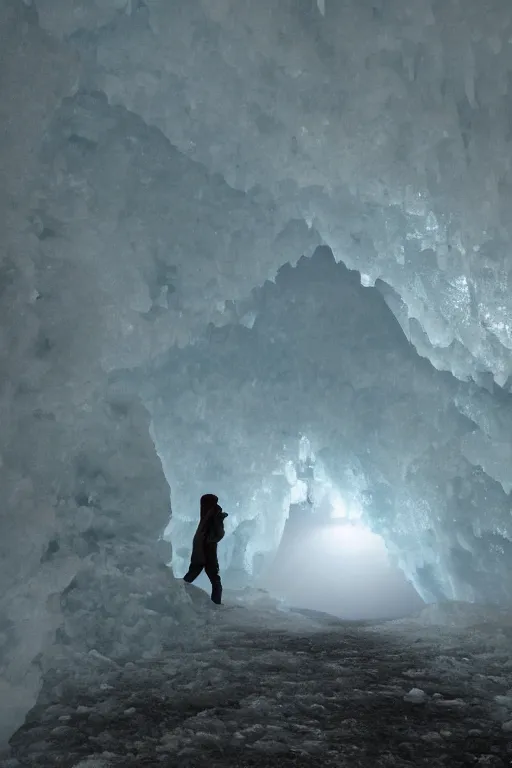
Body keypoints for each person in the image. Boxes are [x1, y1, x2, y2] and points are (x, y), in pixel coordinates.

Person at [183, 493, 228, 605]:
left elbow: (205, 537)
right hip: (208, 551)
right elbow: (218, 535)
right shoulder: (213, 515)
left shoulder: (205, 517)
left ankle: (177, 593)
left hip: (200, 551)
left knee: (191, 576)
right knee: (215, 581)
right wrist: (220, 520)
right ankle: (216, 603)